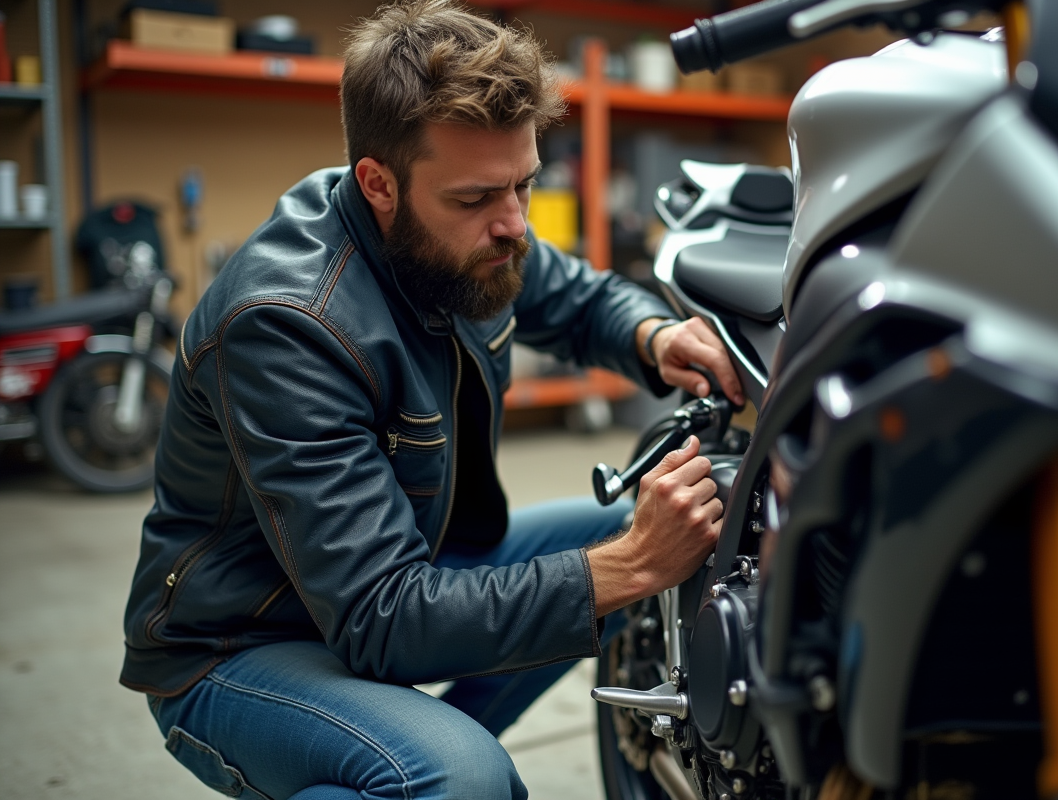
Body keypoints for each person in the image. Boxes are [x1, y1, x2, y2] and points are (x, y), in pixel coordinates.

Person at [120, 2, 744, 798]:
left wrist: (654, 335)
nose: (514, 224)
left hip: (405, 563)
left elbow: (577, 298)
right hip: (241, 645)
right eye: (478, 198)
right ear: (378, 184)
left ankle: (401, 752)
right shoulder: (286, 325)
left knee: (644, 544)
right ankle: (422, 766)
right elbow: (380, 614)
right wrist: (627, 567)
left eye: (524, 184)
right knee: (464, 775)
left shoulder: (464, 236)